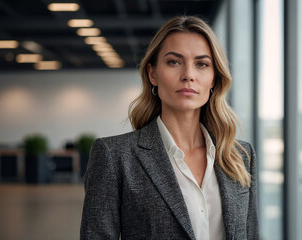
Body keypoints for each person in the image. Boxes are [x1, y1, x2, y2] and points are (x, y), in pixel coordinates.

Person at [80, 15, 258, 240]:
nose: (188, 76)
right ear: (153, 74)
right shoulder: (114, 157)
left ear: (214, 79)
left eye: (202, 64)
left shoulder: (240, 156)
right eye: (174, 62)